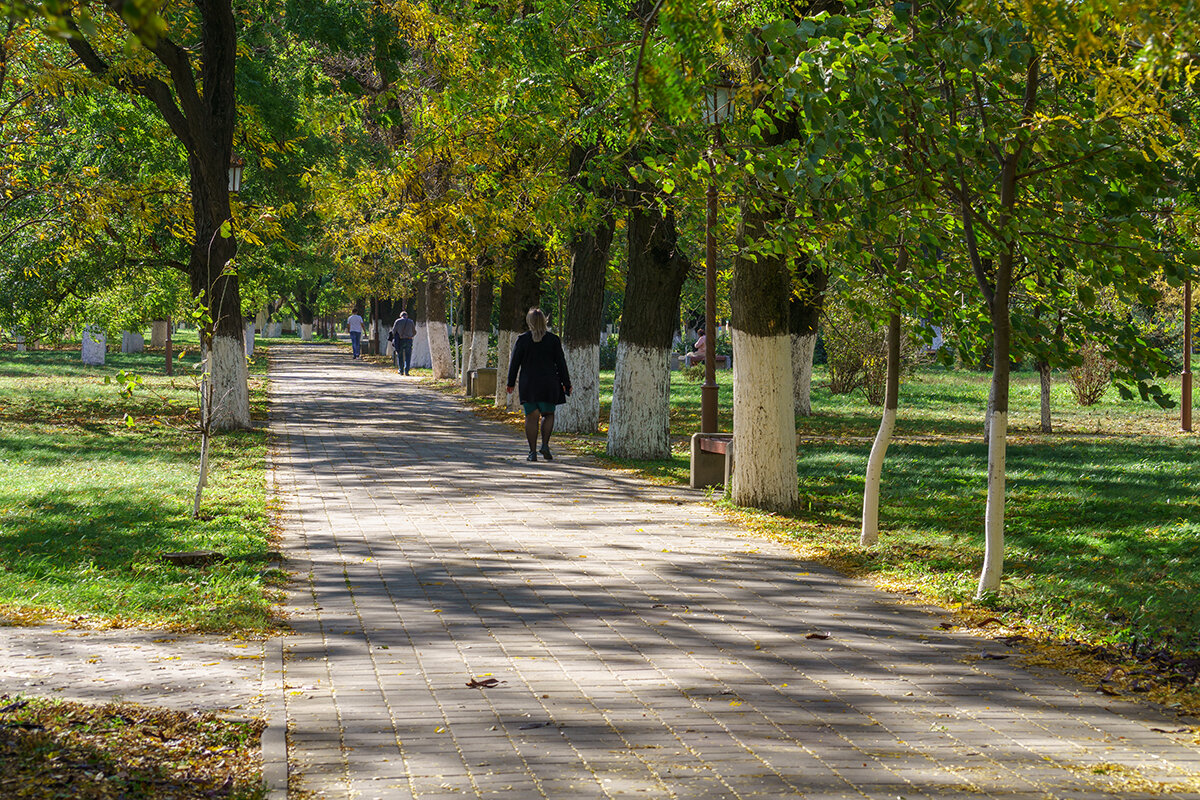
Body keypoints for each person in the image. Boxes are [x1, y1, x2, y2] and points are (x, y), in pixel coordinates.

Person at [506, 308, 571, 461]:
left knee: (531, 417)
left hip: (529, 384)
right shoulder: (553, 340)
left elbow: (514, 363)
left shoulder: (522, 339)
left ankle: (532, 452)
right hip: (549, 383)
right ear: (544, 321)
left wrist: (510, 383)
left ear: (529, 322)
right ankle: (545, 445)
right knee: (548, 415)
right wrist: (566, 384)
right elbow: (561, 364)